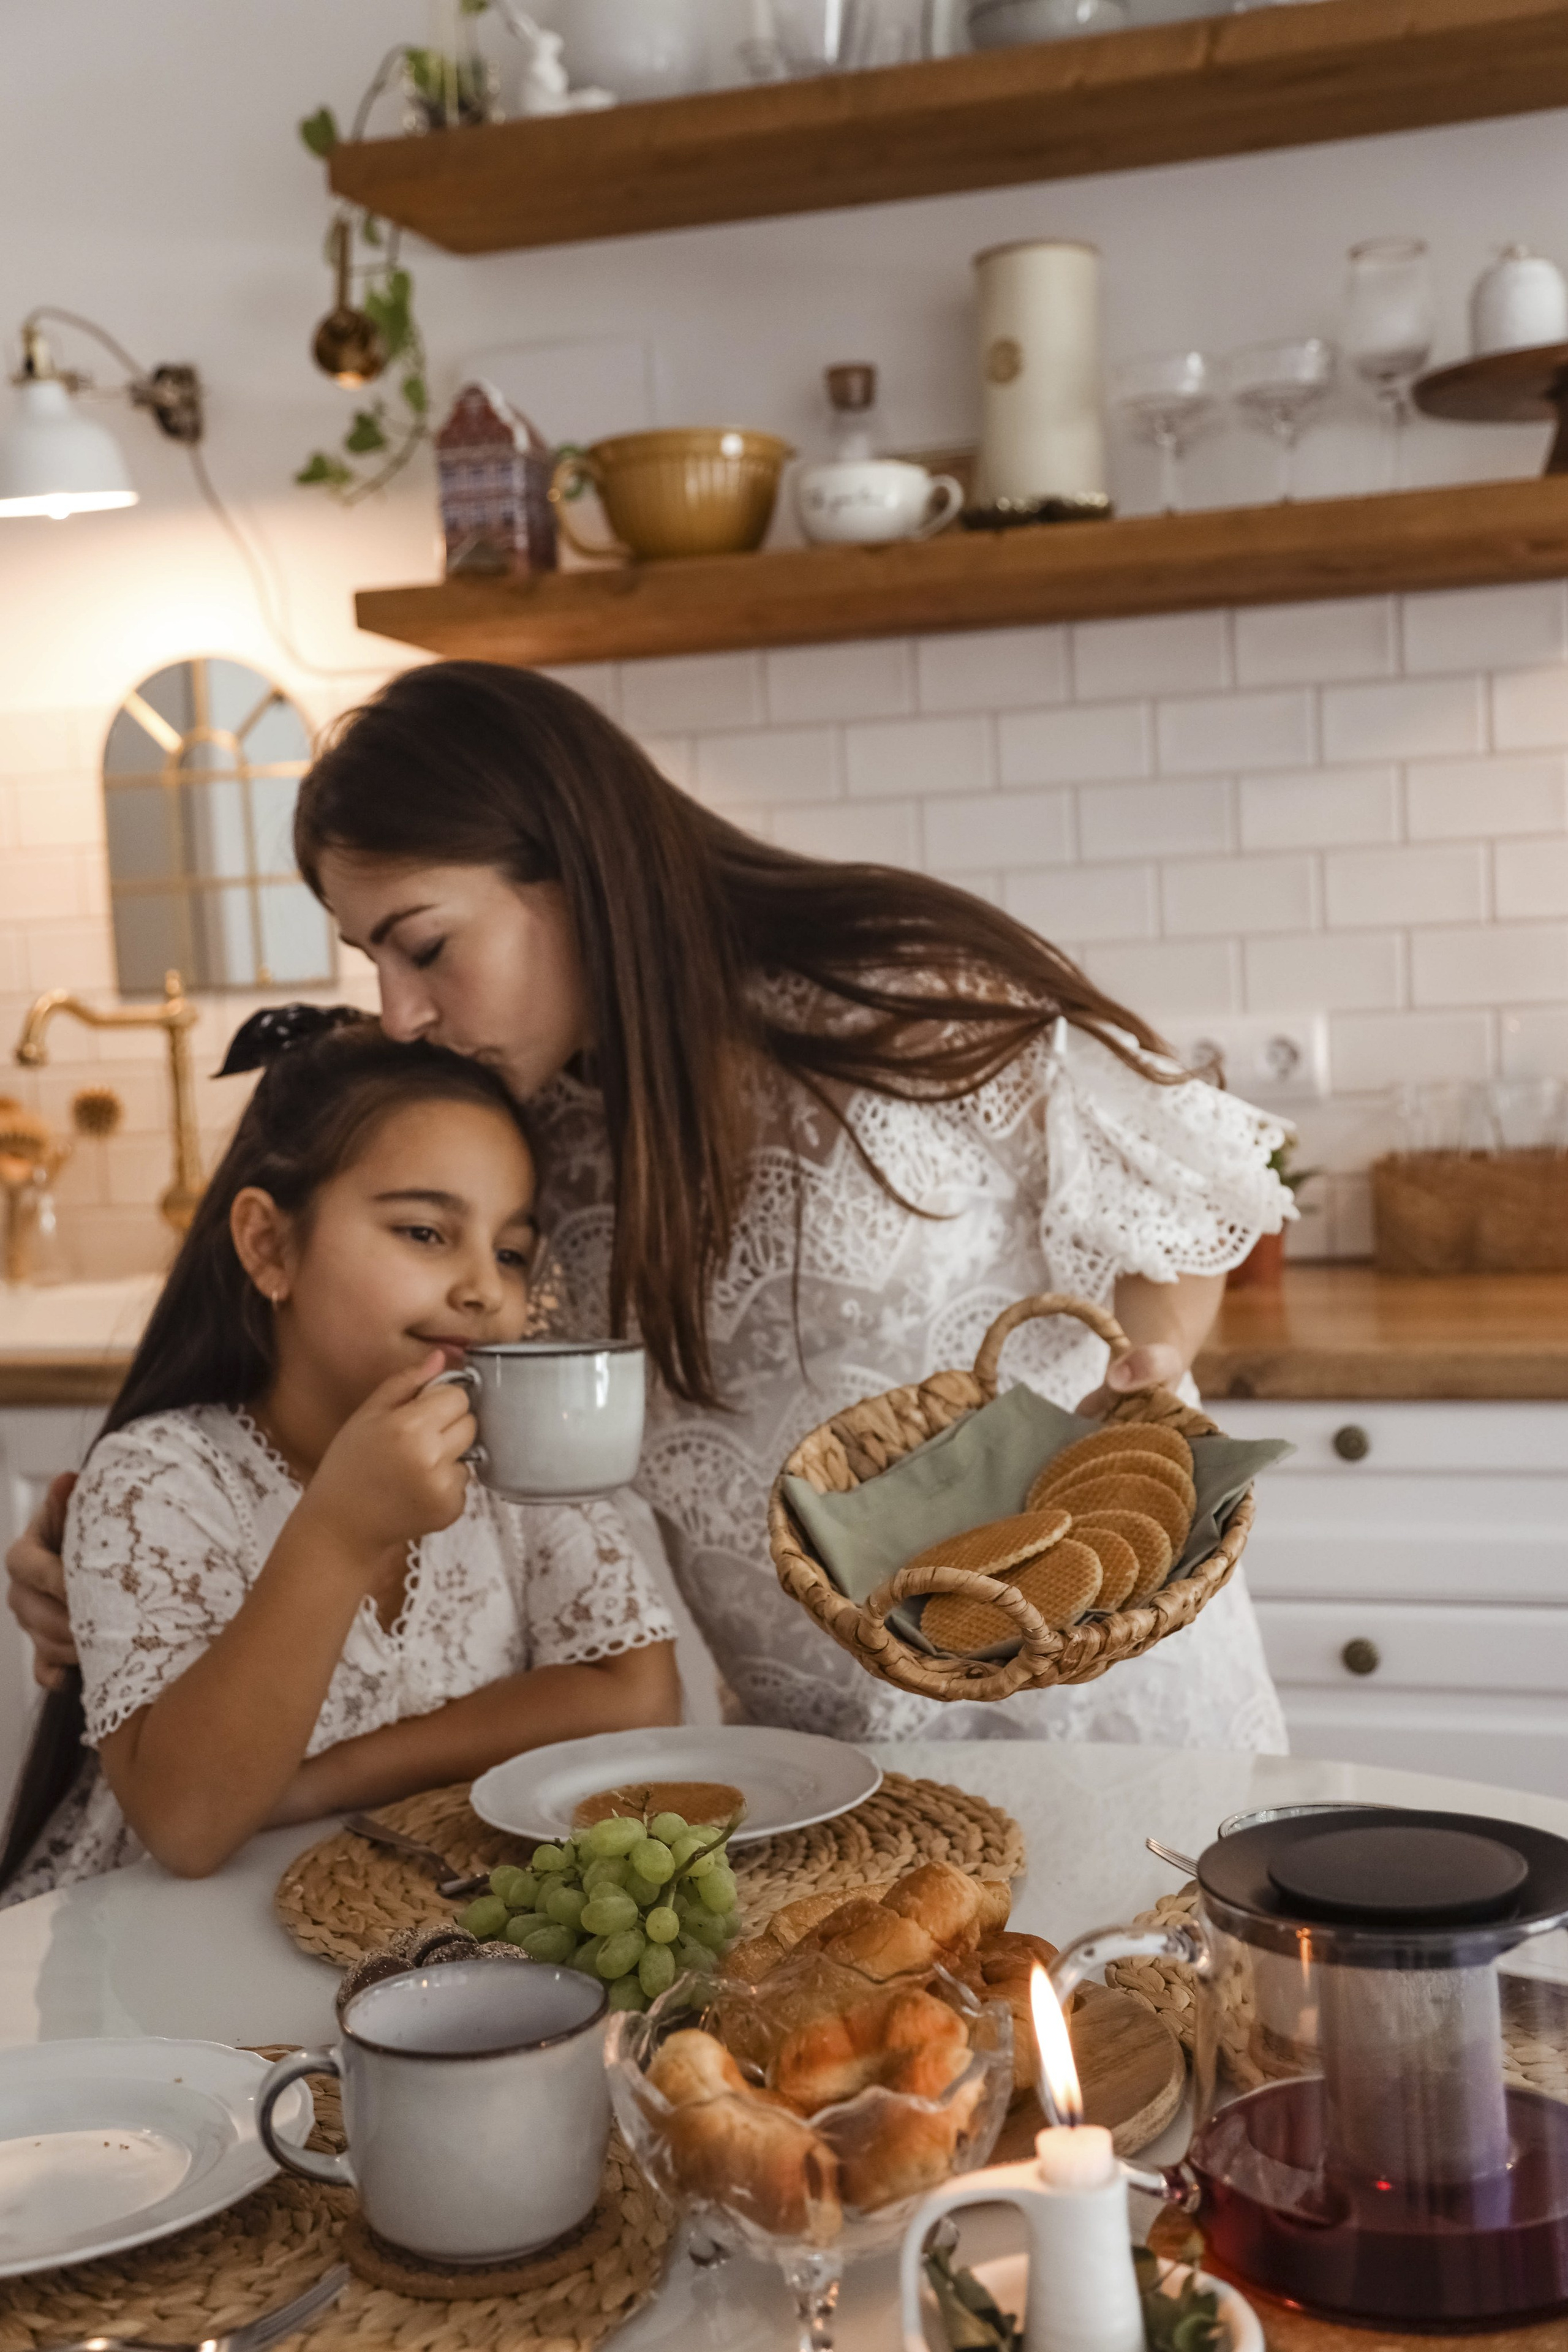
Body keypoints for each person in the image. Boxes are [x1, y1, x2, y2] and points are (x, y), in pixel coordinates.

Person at [7, 660, 1293, 1763]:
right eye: (374, 964)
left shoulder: (898, 997)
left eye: (424, 945)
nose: (401, 1010)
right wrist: (118, 1575)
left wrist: (1154, 1356)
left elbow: (1180, 1195)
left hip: (1099, 1712)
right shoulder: (528, 1139)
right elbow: (328, 1377)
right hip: (821, 1763)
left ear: (574, 875)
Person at [0, 1008, 677, 1901]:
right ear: (269, 1243)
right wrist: (340, 1532)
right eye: (425, 1233)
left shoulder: (514, 1461)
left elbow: (636, 1693)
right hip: (156, 1963)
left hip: (409, 1933)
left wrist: (313, 1781)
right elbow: (188, 1823)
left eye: (511, 1251)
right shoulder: (162, 1479)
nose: (482, 1287)